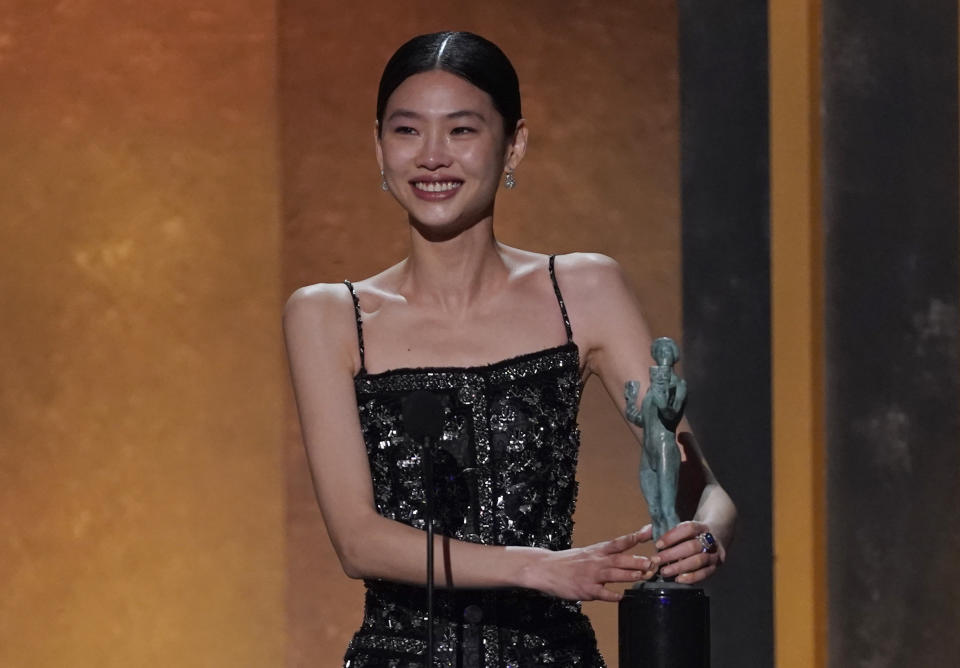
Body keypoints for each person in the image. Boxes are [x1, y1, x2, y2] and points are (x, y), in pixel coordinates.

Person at [284, 31, 736, 668]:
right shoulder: (329, 316)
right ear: (378, 147)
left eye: (462, 131)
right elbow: (358, 542)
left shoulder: (582, 290)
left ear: (513, 143)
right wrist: (542, 569)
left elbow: (703, 489)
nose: (432, 157)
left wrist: (705, 539)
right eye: (407, 131)